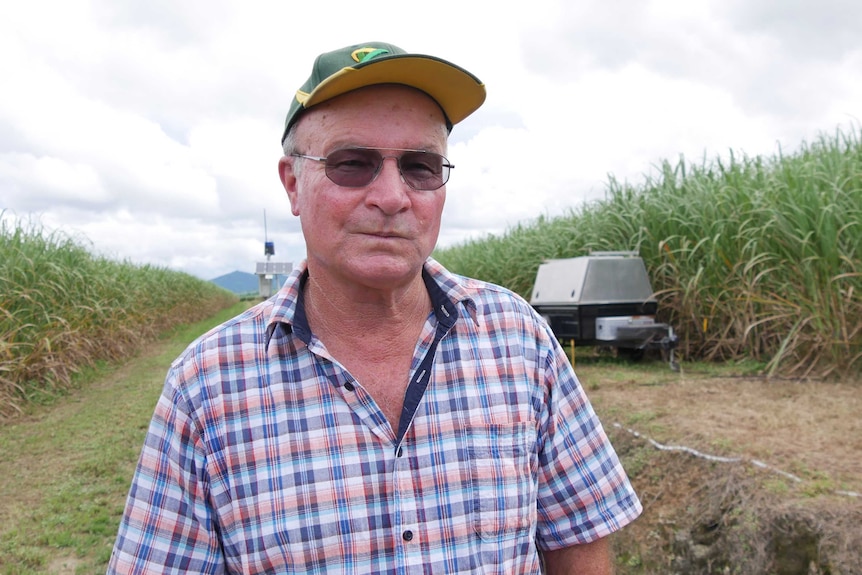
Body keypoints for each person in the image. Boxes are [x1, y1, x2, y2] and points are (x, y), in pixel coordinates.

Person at [108, 41, 642, 574]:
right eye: (352, 164)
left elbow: (578, 544)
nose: (392, 196)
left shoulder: (519, 340)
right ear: (293, 185)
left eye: (420, 166)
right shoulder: (206, 387)